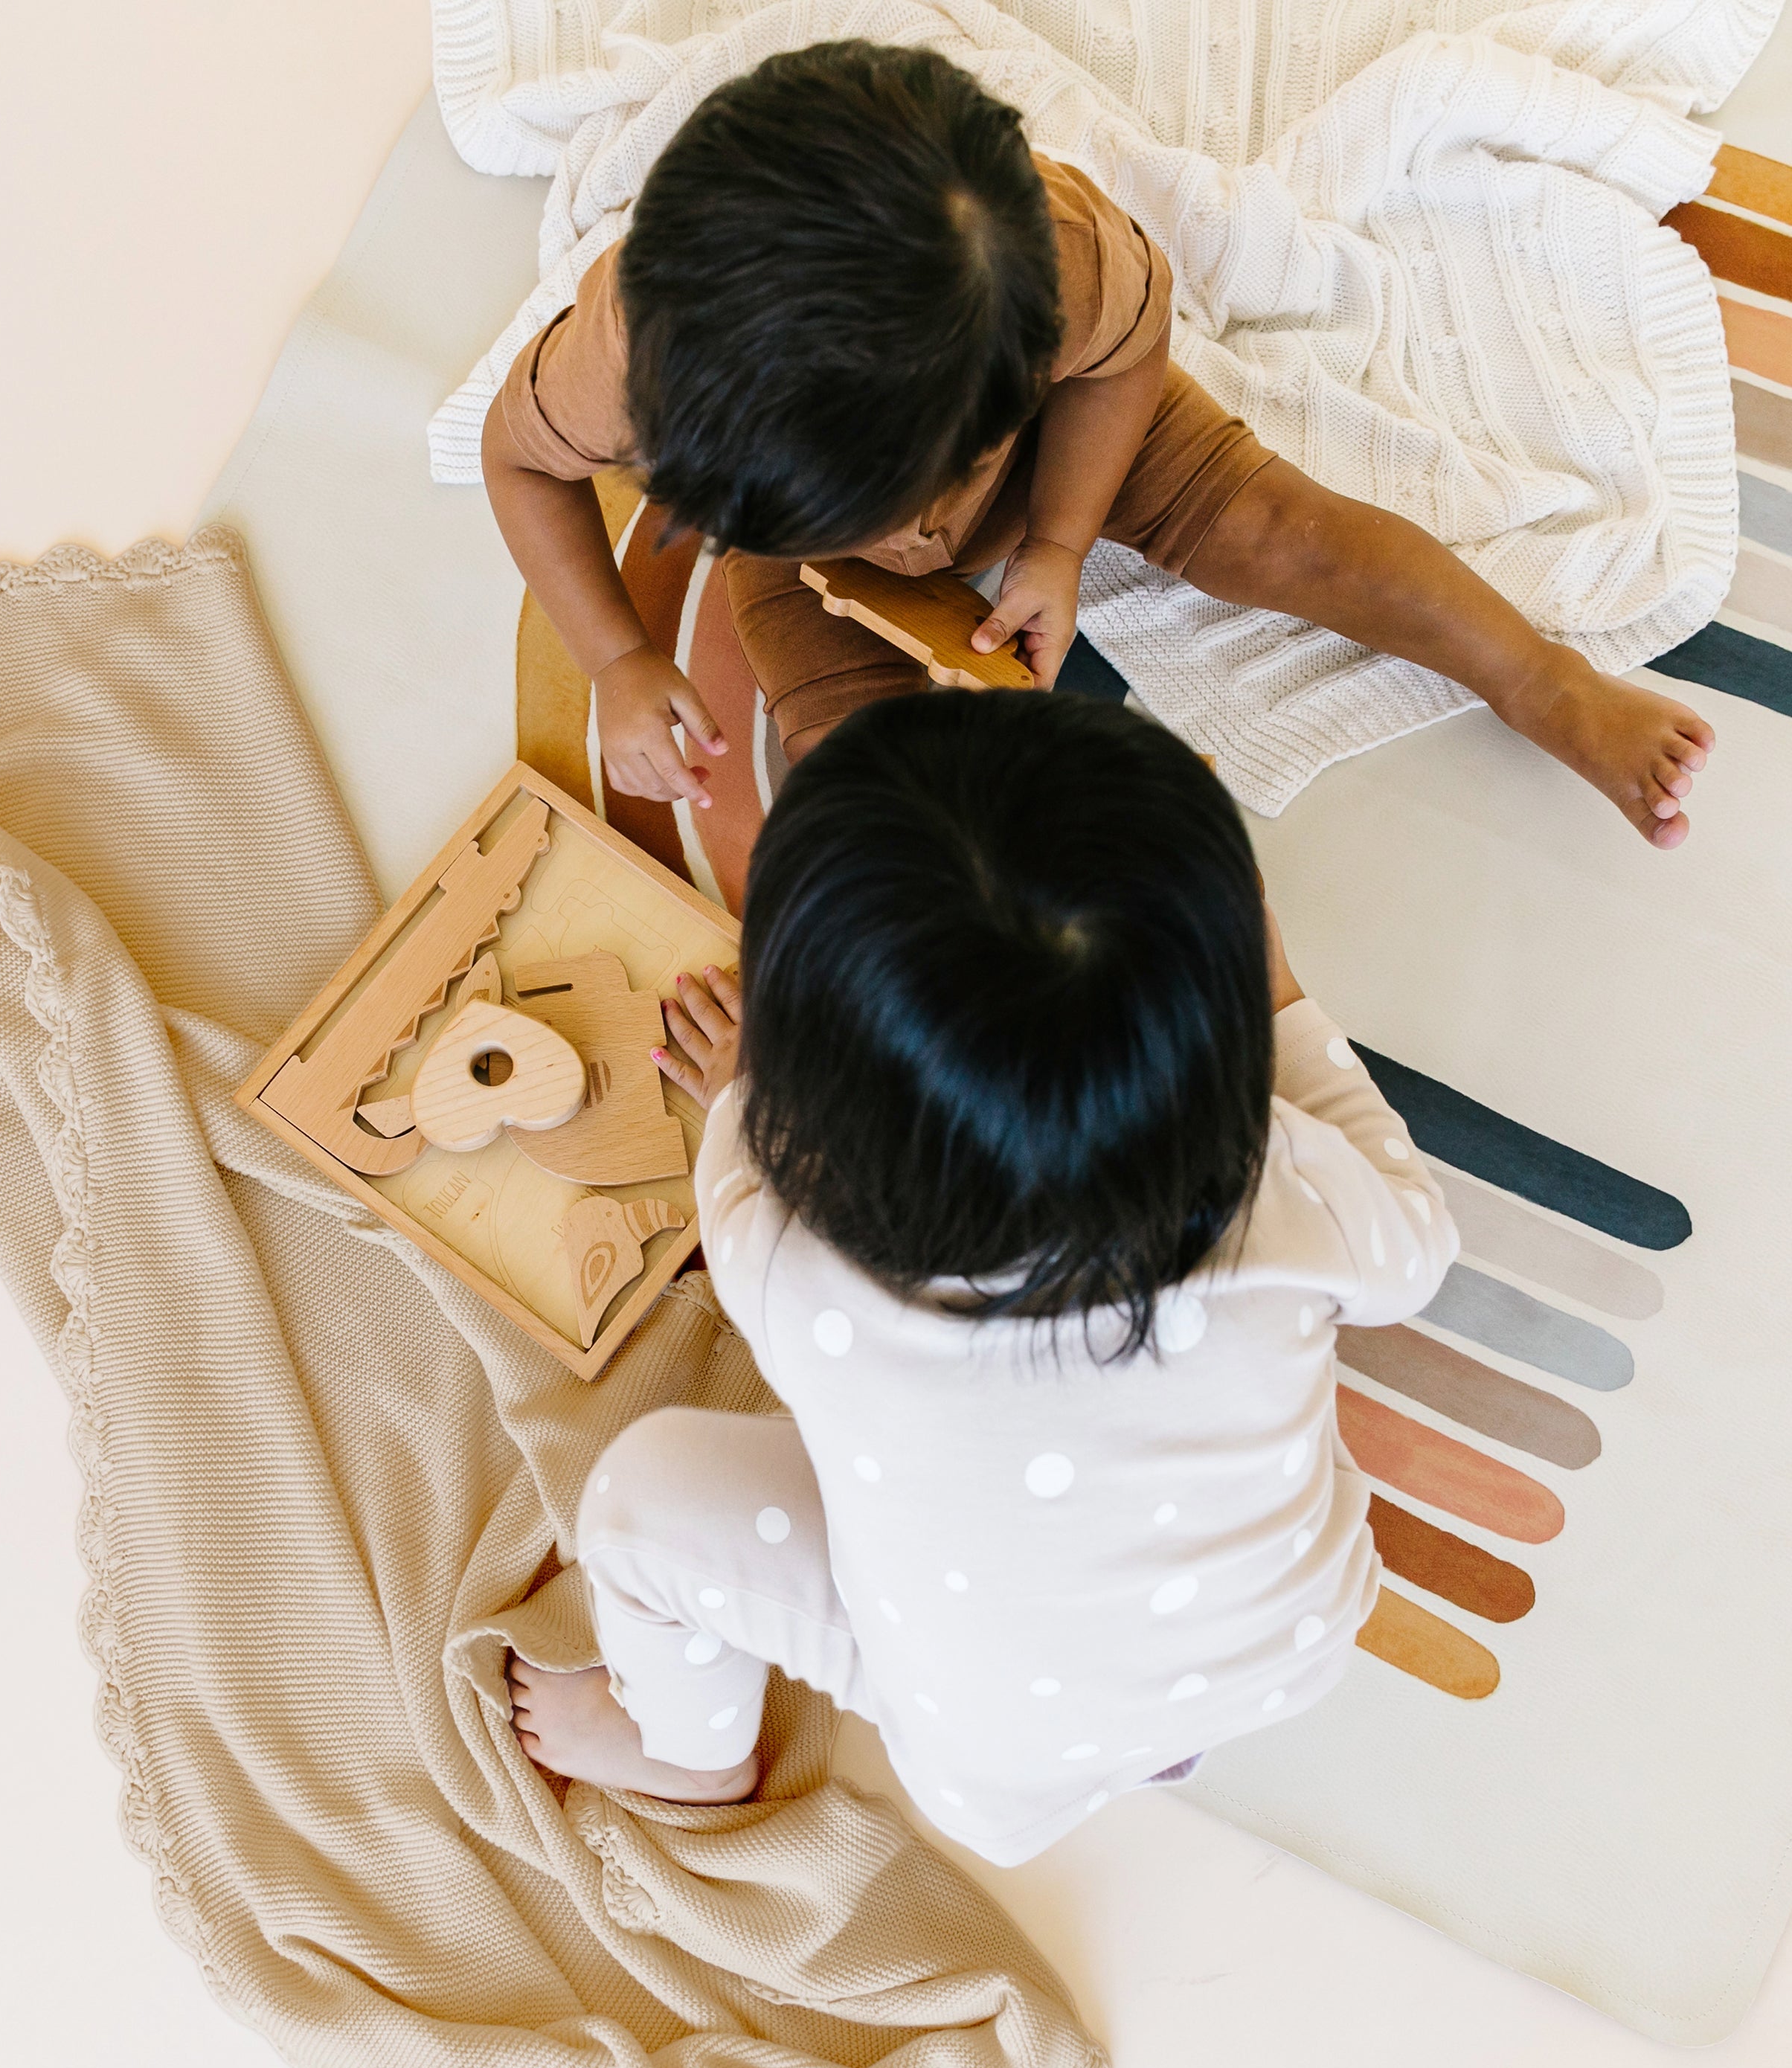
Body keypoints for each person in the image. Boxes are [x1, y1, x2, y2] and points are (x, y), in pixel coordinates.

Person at [507, 693, 1458, 1862]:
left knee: (637, 1501)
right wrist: (1285, 995)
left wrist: (743, 1095)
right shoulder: (1280, 1180)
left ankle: (689, 1754)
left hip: (996, 1754)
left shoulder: (791, 1268)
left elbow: (742, 1175)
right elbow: (1418, 1245)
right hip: (1281, 1647)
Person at [482, 39, 1713, 850]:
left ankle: (1540, 680)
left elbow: (1128, 358)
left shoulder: (1057, 260)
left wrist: (1061, 540)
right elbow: (517, 460)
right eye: (885, 520)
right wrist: (619, 661)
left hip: (1062, 457)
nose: (920, 545)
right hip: (804, 554)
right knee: (852, 775)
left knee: (1290, 533)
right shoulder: (622, 365)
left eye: (932, 497)